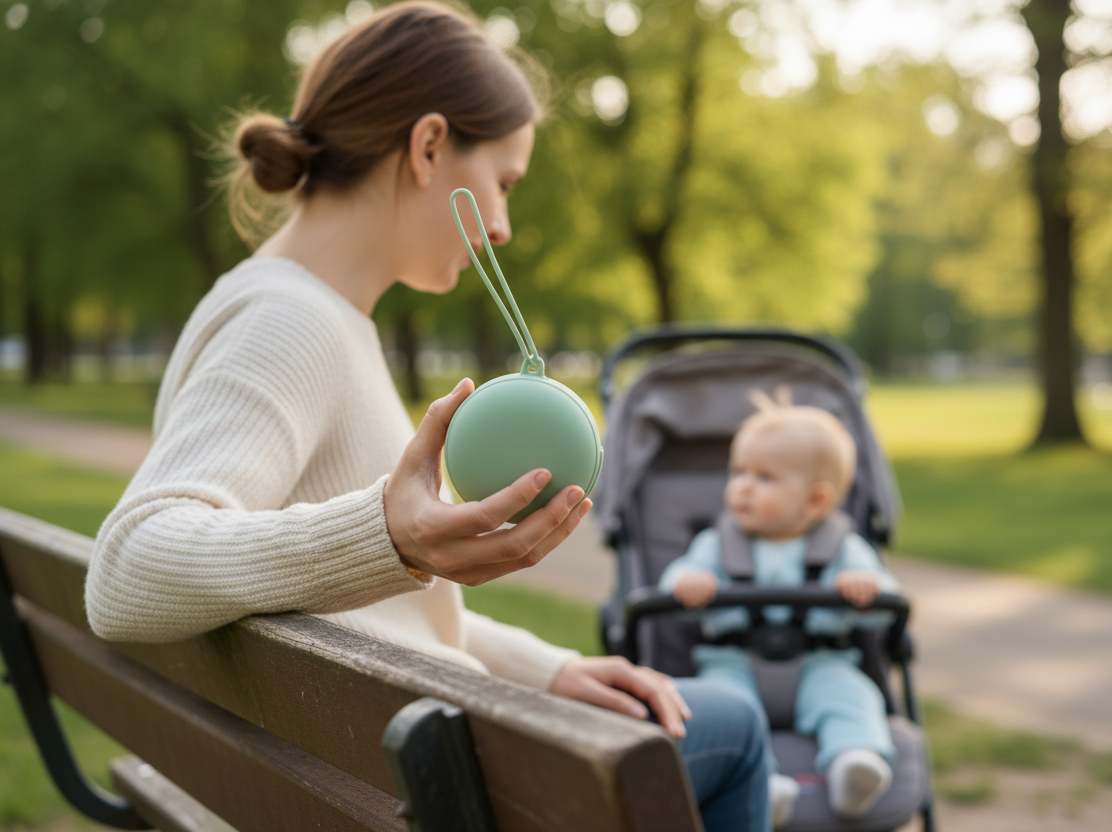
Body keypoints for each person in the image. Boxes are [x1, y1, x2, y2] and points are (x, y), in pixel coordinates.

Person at [83, 4, 767, 830]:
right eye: (504, 183)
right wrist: (387, 535)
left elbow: (381, 622)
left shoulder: (308, 311)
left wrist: (543, 671)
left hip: (356, 765)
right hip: (401, 790)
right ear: (430, 146)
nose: (505, 227)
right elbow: (127, 572)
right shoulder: (289, 322)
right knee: (733, 726)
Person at [659, 388, 899, 826]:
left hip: (820, 662)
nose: (743, 487)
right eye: (738, 472)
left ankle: (854, 762)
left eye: (764, 477)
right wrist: (689, 585)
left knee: (852, 697)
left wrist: (866, 589)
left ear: (816, 501)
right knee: (724, 709)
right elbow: (674, 582)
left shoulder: (844, 547)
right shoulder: (717, 543)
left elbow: (887, 602)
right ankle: (763, 783)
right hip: (733, 662)